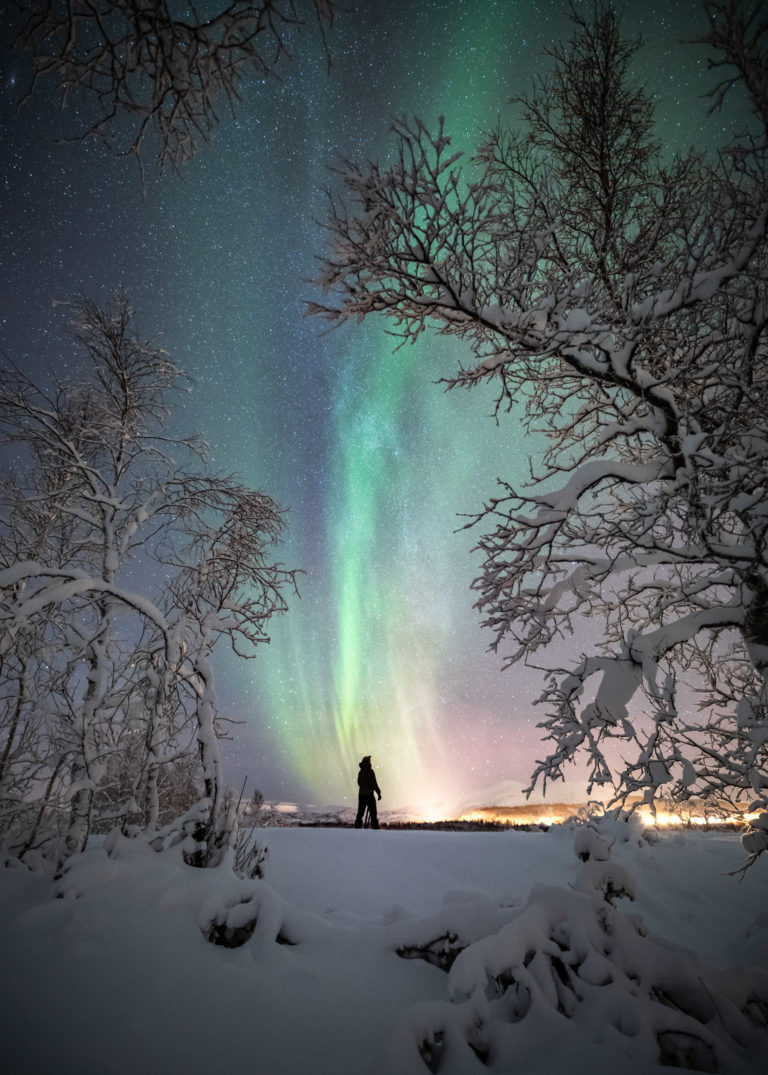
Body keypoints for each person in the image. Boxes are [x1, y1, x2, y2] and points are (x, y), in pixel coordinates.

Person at [354, 755, 382, 829]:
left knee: (360, 813)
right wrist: (378, 793)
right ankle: (375, 828)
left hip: (361, 795)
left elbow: (359, 783)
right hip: (369, 795)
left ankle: (357, 828)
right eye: (369, 760)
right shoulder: (370, 771)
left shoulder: (360, 772)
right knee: (373, 813)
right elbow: (374, 784)